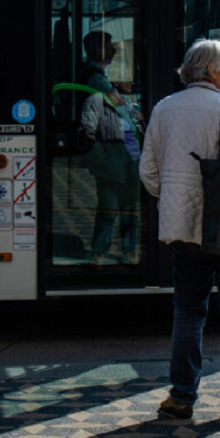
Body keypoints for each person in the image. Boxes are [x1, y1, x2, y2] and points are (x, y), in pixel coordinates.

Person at [139, 38, 220, 421]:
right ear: (212, 70)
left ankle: (181, 397)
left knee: (188, 312)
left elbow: (148, 173)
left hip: (182, 228)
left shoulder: (164, 108)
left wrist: (173, 197)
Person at [80, 31, 142, 268]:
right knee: (116, 204)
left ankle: (107, 251)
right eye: (109, 46)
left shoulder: (97, 76)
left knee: (119, 204)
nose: (115, 51)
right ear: (99, 49)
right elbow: (118, 105)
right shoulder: (96, 78)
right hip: (115, 150)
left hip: (121, 150)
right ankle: (117, 250)